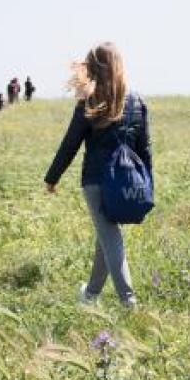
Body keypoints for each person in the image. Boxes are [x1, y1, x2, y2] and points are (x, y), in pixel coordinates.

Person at [45, 42, 151, 309]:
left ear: (94, 68)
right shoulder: (137, 101)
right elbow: (144, 148)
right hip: (126, 182)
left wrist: (52, 177)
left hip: (95, 180)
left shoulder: (89, 102)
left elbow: (70, 143)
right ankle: (90, 294)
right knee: (106, 235)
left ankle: (129, 301)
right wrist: (147, 185)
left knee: (109, 236)